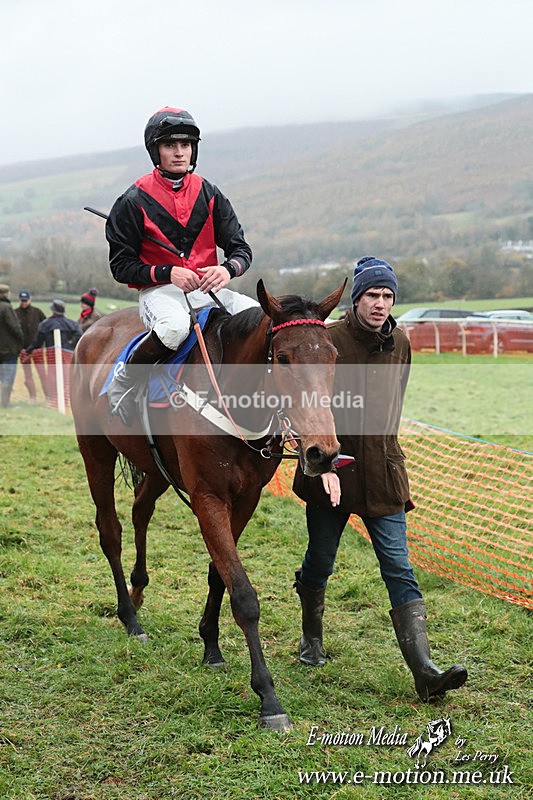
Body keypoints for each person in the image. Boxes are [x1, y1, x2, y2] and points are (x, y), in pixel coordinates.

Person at [292, 256, 468, 702]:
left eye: (388, 296)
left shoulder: (402, 344)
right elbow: (306, 409)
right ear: (356, 299)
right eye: (372, 294)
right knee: (320, 561)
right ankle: (310, 638)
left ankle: (425, 673)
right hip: (332, 471)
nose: (381, 303)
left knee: (399, 567)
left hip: (385, 476)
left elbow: (394, 408)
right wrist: (322, 468)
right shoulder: (328, 341)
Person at [105, 105, 259, 426]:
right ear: (155, 151)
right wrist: (167, 272)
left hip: (208, 290)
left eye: (185, 145)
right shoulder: (132, 201)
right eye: (170, 145)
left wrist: (227, 269)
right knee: (175, 329)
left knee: (260, 320)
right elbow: (121, 267)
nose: (179, 153)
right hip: (161, 294)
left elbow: (241, 249)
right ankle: (125, 381)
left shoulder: (211, 194)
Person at [26, 300, 83, 406]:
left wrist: (28, 350)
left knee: (53, 377)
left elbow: (37, 342)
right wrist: (71, 344)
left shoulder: (45, 324)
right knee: (67, 377)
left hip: (52, 354)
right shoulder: (72, 323)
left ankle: (54, 400)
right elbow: (80, 335)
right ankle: (66, 400)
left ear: (52, 310)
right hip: (68, 353)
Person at [15, 289, 46, 401]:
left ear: (30, 299)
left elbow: (45, 327)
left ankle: (49, 397)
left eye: (26, 300)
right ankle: (33, 397)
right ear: (19, 300)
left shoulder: (37, 312)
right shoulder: (15, 313)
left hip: (37, 350)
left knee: (42, 374)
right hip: (23, 351)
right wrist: (19, 348)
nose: (24, 302)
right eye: (22, 300)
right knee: (28, 375)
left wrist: (42, 343)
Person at [0, 285, 23, 407]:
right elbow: (15, 328)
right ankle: (5, 403)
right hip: (8, 350)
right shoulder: (6, 307)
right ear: (6, 293)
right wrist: (20, 342)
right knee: (7, 378)